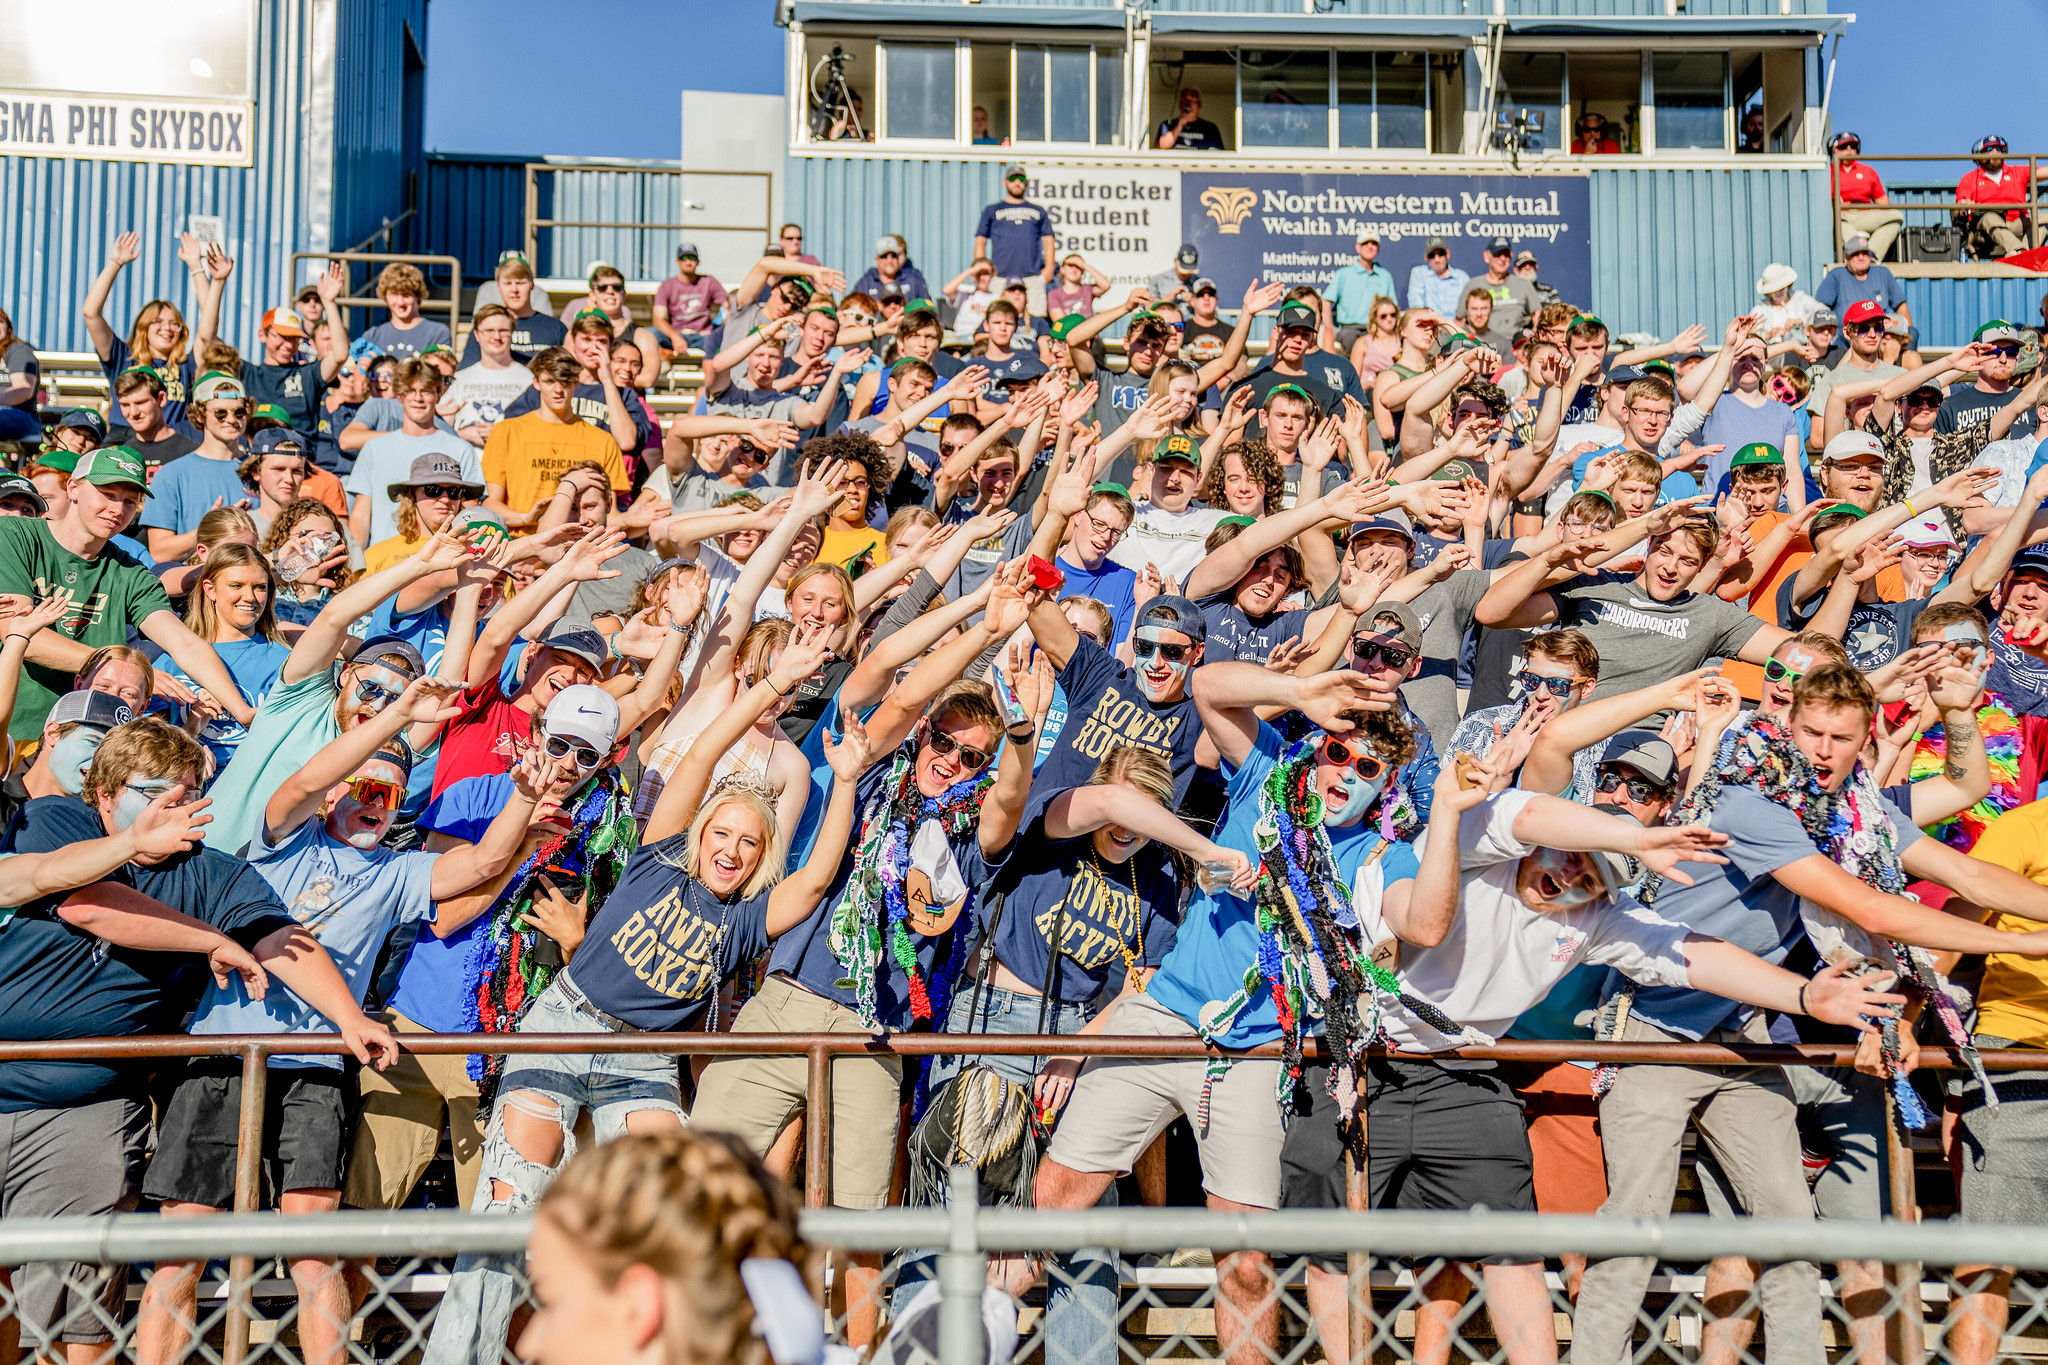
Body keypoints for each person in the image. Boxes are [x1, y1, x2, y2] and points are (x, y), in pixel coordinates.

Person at [1572, 662, 2048, 1364]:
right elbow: (1872, 910)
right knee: (1636, 1226)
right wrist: (2032, 941)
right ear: (1787, 728)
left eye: (1840, 737)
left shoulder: (1856, 808)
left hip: (1741, 1030)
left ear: (1865, 740)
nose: (1823, 750)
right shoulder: (1752, 802)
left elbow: (1967, 873)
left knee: (1790, 1229)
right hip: (1656, 1026)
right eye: (1812, 733)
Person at [135, 680, 538, 1365]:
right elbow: (302, 783)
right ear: (335, 791)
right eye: (365, 786)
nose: (376, 801)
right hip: (222, 1056)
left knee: (314, 1251)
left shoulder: (398, 871)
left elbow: (482, 863)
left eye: (391, 794)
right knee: (183, 1247)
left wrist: (525, 797)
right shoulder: (282, 839)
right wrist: (395, 719)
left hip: (316, 1067)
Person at [0, 445, 253, 743]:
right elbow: (19, 634)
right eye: (108, 494)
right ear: (73, 488)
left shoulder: (131, 572)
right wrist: (126, 671)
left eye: (130, 501)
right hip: (13, 730)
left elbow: (186, 644)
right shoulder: (14, 534)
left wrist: (243, 711)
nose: (118, 510)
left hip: (89, 739)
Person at [481, 347, 630, 527]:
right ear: (536, 383)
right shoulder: (506, 432)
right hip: (521, 538)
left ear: (577, 381)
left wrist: (633, 518)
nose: (558, 390)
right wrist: (525, 518)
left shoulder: (603, 441)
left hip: (579, 538)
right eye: (550, 381)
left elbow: (609, 513)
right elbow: (490, 503)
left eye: (565, 381)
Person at [347, 357, 483, 548]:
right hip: (385, 560)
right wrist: (356, 563)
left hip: (442, 558)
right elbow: (361, 516)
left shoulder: (461, 449)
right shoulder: (374, 448)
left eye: (426, 391)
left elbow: (469, 512)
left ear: (438, 394)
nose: (418, 398)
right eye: (410, 390)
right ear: (399, 396)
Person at [140, 372, 256, 563]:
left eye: (239, 412)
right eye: (220, 413)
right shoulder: (171, 475)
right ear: (201, 415)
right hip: (195, 579)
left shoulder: (259, 471)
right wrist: (211, 529)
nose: (231, 419)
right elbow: (160, 552)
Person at [441, 305, 534, 448]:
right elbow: (440, 431)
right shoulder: (459, 379)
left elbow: (539, 429)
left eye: (503, 331)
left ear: (512, 333)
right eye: (489, 331)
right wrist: (463, 435)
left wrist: (502, 434)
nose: (496, 337)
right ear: (477, 335)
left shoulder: (529, 379)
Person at [974, 166, 1056, 312]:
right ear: (1005, 182)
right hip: (999, 278)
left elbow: (1048, 241)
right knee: (997, 317)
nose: (1017, 183)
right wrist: (982, 268)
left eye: (1021, 179)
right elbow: (981, 241)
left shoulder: (1038, 210)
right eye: (1013, 179)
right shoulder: (991, 210)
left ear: (1027, 183)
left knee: (1035, 319)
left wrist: (1049, 270)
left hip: (1032, 278)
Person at [461, 254, 566, 364]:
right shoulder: (486, 328)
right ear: (498, 287)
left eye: (520, 283)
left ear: (532, 285)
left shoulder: (555, 327)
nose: (514, 290)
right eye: (508, 283)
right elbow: (469, 369)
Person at [1956, 134, 2048, 260]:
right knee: (1989, 217)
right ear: (1979, 154)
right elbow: (1959, 207)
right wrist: (1964, 206)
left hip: (2017, 222)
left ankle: (2025, 254)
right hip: (1985, 230)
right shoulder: (1970, 179)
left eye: (1999, 148)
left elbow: (2043, 172)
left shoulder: (2017, 172)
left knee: (2044, 218)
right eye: (1989, 149)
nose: (1995, 152)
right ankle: (2017, 251)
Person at [104, 366, 198, 476]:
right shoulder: (120, 457)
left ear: (161, 399)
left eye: (140, 403)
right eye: (125, 405)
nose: (133, 412)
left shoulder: (190, 453)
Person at [359, 262, 453, 360]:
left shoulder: (438, 333)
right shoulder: (373, 336)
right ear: (385, 296)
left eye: (406, 295)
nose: (400, 302)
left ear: (417, 295)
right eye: (394, 294)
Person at [1325, 232, 1397, 353]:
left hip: (1377, 328)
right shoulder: (1344, 274)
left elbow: (1392, 306)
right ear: (1358, 247)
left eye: (1374, 243)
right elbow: (1325, 301)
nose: (1370, 246)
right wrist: (1329, 330)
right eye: (1365, 243)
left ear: (1378, 248)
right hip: (1350, 330)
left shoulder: (1385, 276)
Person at [652, 243, 728, 356]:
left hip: (703, 336)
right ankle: (664, 363)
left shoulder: (709, 281)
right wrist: (674, 336)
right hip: (676, 335)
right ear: (677, 262)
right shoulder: (667, 286)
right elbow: (658, 319)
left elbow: (729, 306)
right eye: (684, 258)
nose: (688, 262)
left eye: (692, 258)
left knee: (725, 336)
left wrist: (715, 326)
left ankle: (714, 366)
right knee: (651, 333)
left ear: (698, 262)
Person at [1471, 237, 1544, 343]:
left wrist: (1534, 340)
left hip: (1517, 344)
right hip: (1482, 343)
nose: (1502, 259)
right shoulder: (1473, 285)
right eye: (1497, 254)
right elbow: (1460, 321)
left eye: (1506, 255)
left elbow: (1537, 315)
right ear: (1487, 256)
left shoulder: (1524, 284)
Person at [851, 234, 933, 307]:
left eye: (893, 256)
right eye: (884, 256)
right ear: (876, 259)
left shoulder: (914, 282)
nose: (889, 260)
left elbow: (928, 310)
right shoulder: (864, 285)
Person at [1406, 238, 1469, 317]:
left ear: (1448, 254)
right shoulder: (1418, 273)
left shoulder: (1462, 277)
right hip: (1428, 322)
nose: (1437, 259)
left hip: (1455, 324)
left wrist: (1456, 322)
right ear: (1426, 258)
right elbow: (1416, 307)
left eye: (1441, 254)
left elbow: (1468, 308)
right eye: (1432, 256)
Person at [1155, 87, 1224, 150]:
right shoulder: (1168, 124)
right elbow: (1161, 147)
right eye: (1185, 100)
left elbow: (1218, 153)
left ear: (1199, 104)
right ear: (1180, 104)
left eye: (1192, 100)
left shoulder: (1210, 128)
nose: (1188, 104)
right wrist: (1179, 126)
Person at [1047, 253, 1110, 320]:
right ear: (1062, 269)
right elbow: (1060, 322)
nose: (1074, 269)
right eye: (1071, 265)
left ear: (1082, 271)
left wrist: (1084, 265)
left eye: (1078, 266)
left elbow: (1106, 286)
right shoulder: (1054, 294)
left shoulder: (1087, 290)